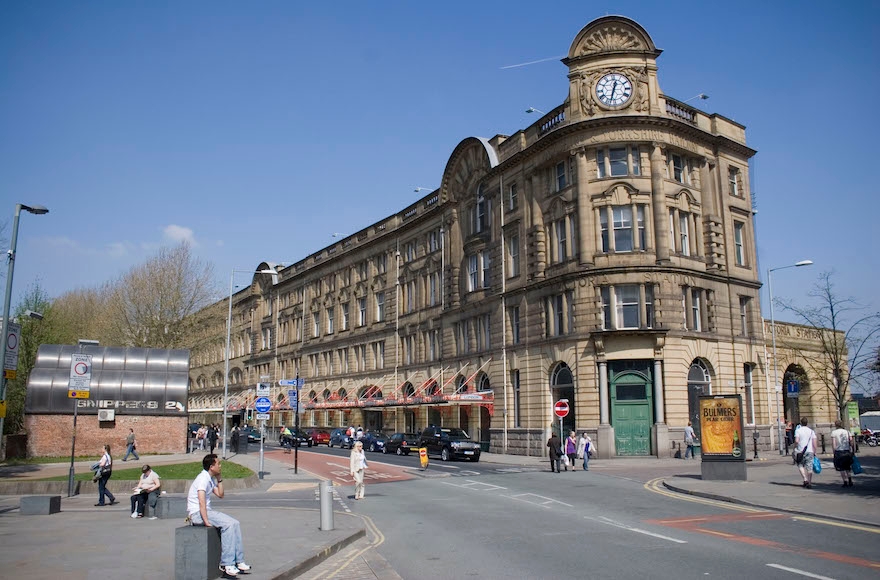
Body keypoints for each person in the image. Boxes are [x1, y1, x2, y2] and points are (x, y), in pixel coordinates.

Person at [187, 454, 251, 577]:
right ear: (211, 466)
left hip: (206, 512)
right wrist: (206, 521)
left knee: (235, 523)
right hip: (197, 514)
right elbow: (201, 502)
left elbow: (220, 494)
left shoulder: (209, 478)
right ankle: (226, 564)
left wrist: (219, 478)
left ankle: (239, 561)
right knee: (228, 525)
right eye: (218, 464)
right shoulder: (202, 479)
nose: (220, 466)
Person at [794, 417, 818, 489]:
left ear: (801, 423)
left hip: (800, 451)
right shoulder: (811, 431)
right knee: (809, 467)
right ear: (807, 423)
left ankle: (805, 479)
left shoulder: (798, 431)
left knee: (800, 465)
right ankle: (809, 482)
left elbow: (797, 441)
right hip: (810, 451)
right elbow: (814, 442)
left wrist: (795, 447)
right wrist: (815, 451)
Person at [830, 419, 855, 487]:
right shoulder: (847, 432)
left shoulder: (834, 433)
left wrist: (834, 452)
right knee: (847, 467)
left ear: (836, 425)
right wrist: (853, 450)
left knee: (841, 468)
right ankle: (850, 479)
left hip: (839, 451)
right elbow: (851, 442)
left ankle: (845, 481)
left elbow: (834, 444)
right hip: (847, 450)